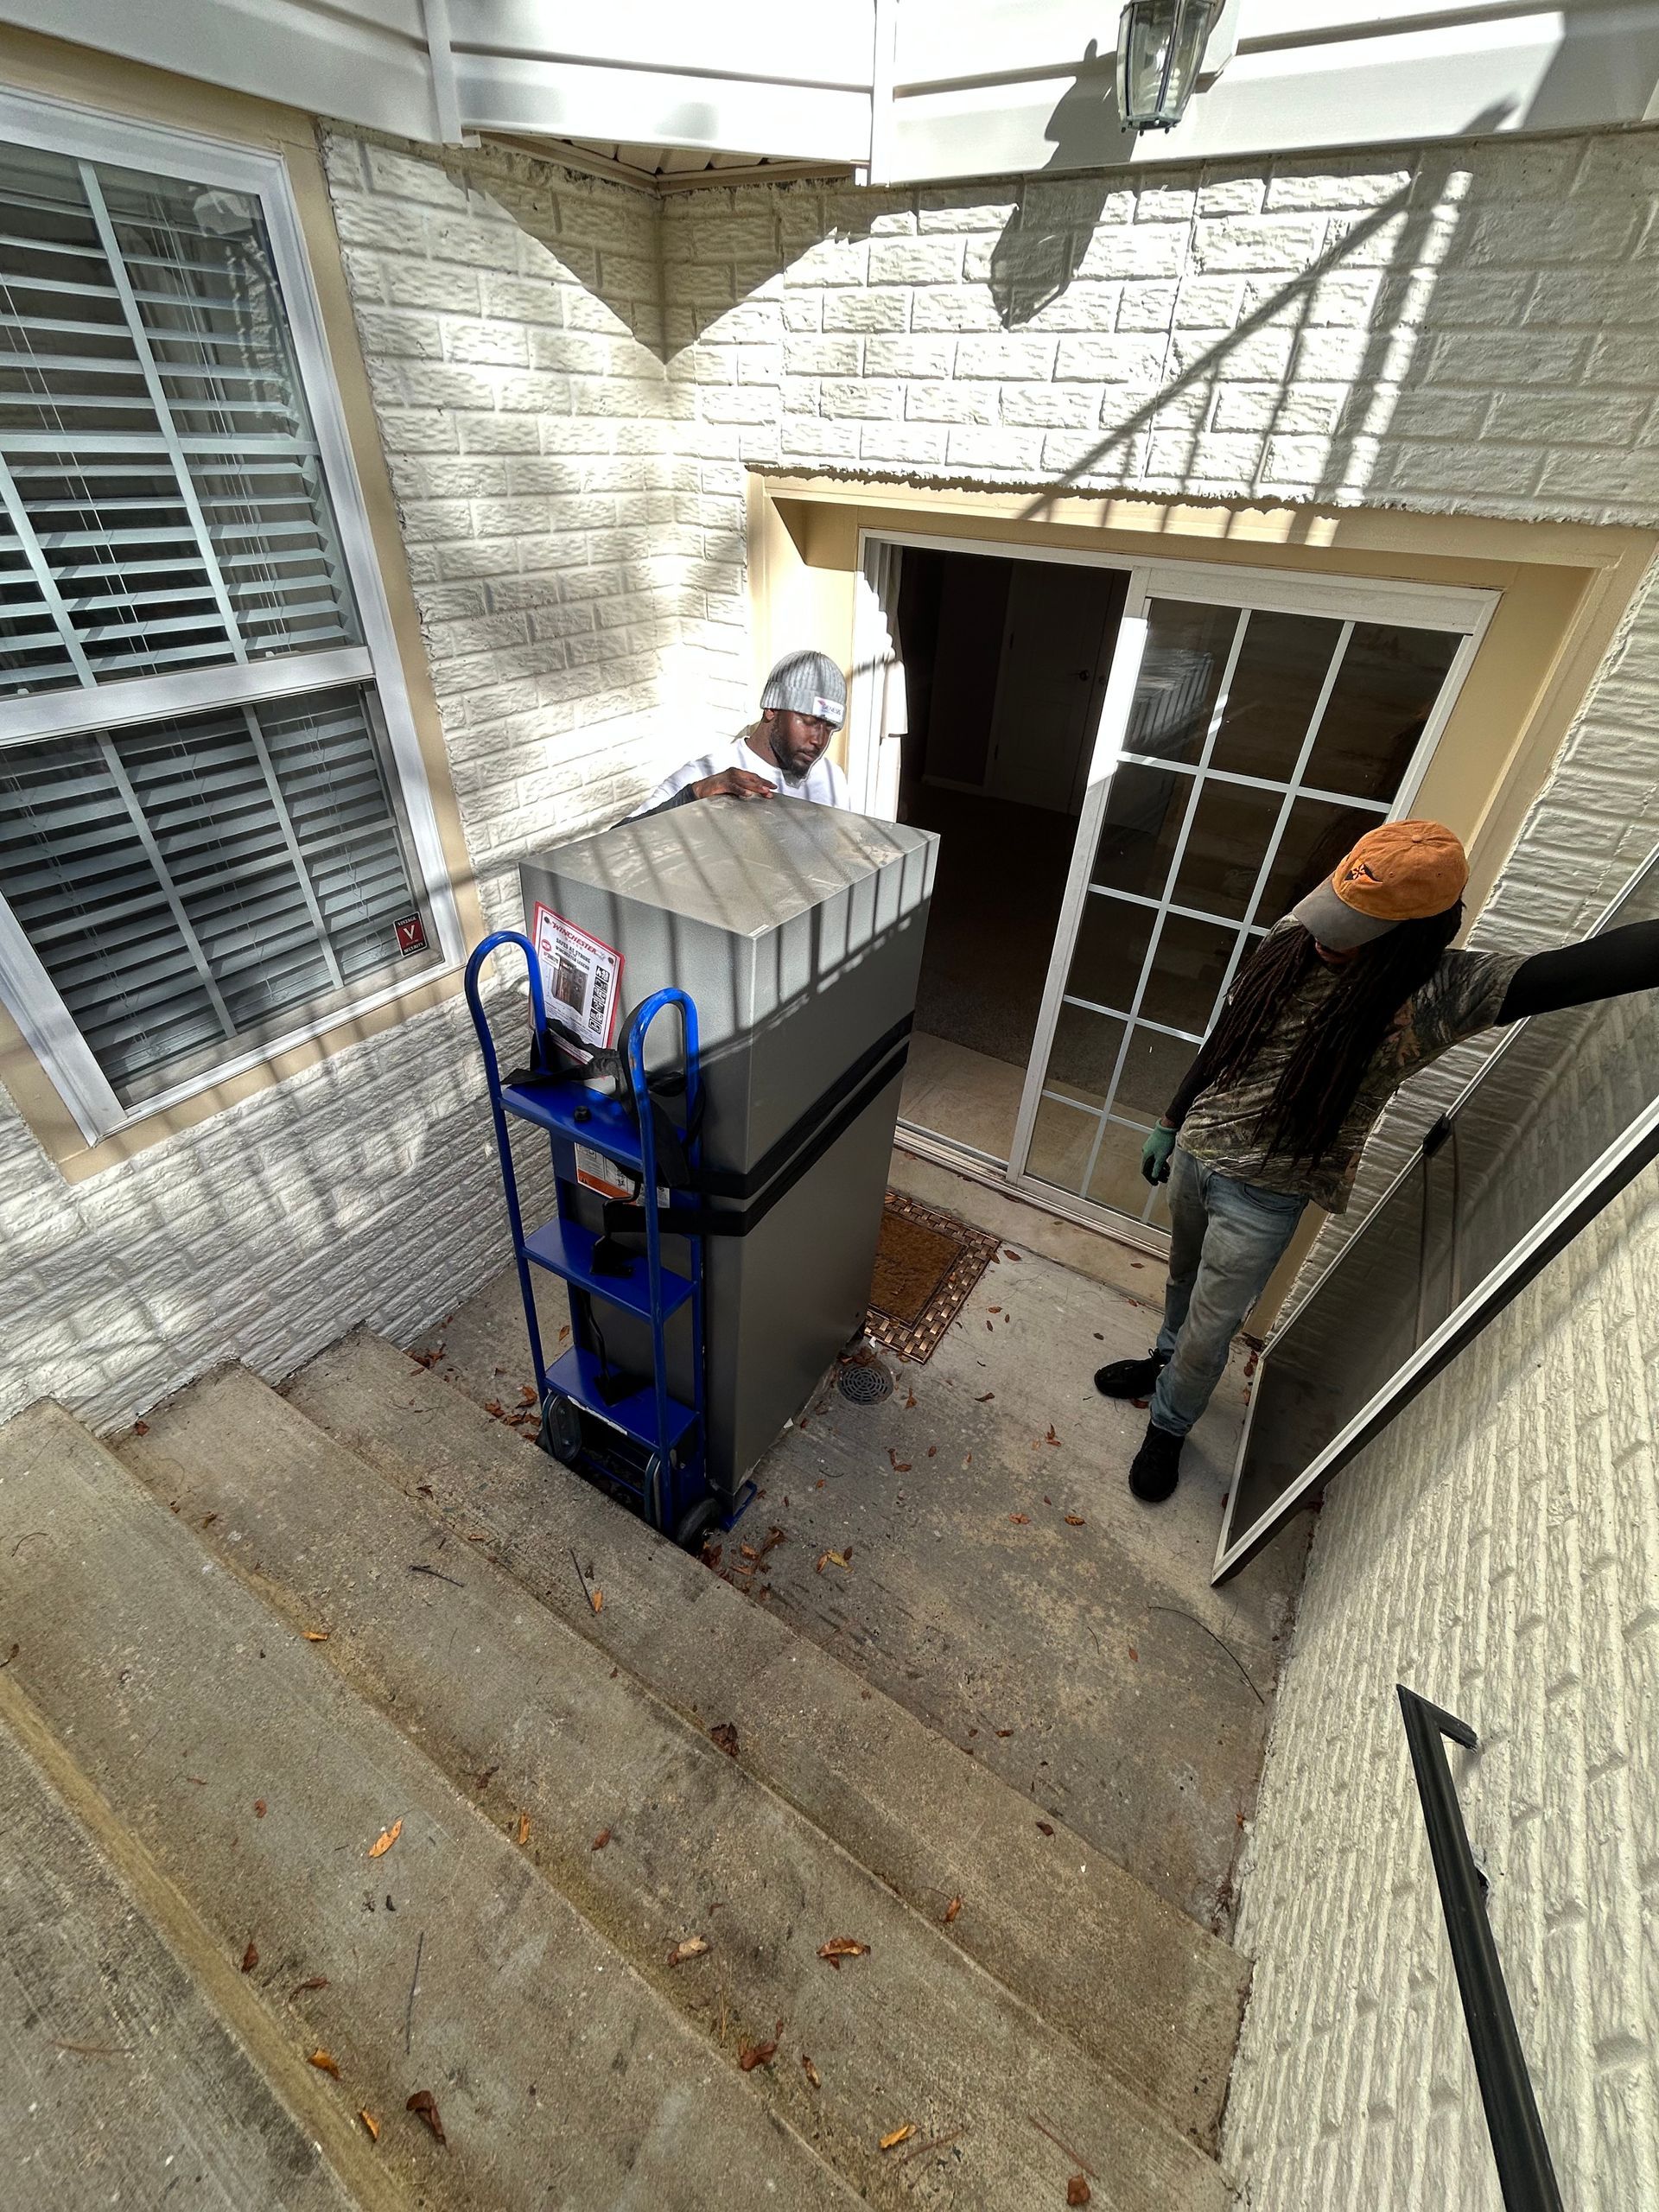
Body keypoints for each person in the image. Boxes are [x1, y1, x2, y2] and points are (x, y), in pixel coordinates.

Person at [1099, 818, 1659, 1505]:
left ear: (1418, 935)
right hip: (1194, 1153)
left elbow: (1594, 965)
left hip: (1265, 1196)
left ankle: (1169, 1425)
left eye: (1359, 929)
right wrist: (1169, 1119)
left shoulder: (1443, 993)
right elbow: (1228, 1038)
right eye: (1338, 912)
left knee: (1211, 1328)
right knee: (1181, 1281)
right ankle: (1162, 1364)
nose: (1333, 937)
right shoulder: (1292, 941)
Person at [631, 649, 850, 817]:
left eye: (829, 728)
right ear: (772, 708)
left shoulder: (832, 779)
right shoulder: (707, 774)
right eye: (809, 721)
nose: (819, 740)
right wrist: (695, 793)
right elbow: (615, 843)